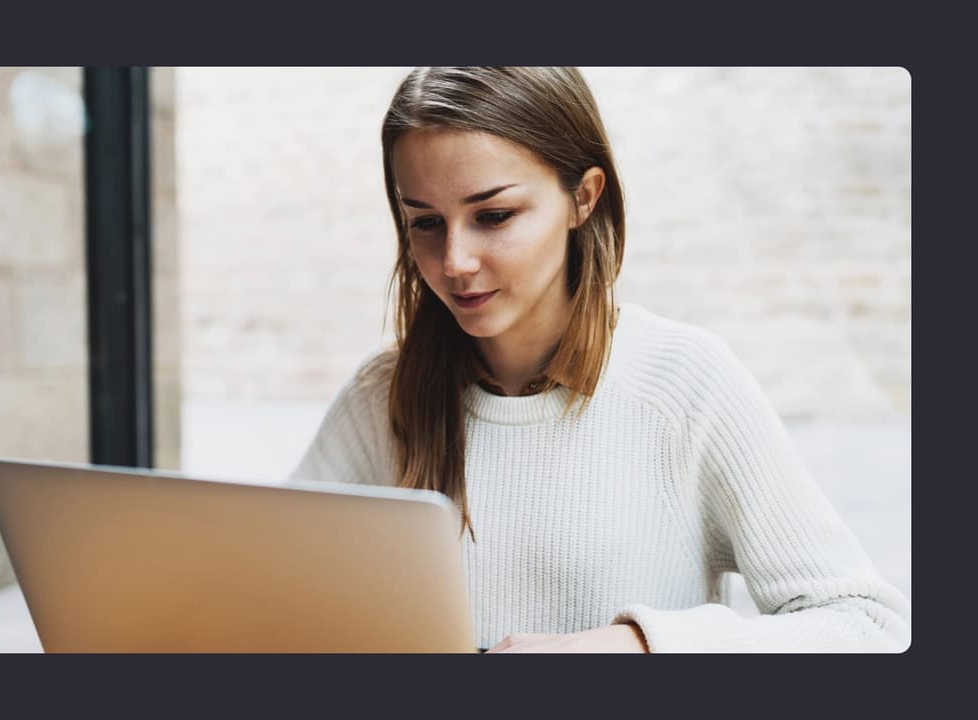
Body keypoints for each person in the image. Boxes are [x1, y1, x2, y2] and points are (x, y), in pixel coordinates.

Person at [288, 67, 910, 653]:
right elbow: (264, 593)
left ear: (582, 198)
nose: (455, 262)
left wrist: (639, 647)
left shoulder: (682, 383)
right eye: (425, 223)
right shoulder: (383, 393)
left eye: (494, 216)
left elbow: (866, 626)